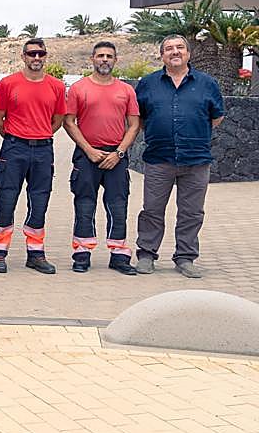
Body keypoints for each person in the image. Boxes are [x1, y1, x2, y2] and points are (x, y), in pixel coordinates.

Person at [134, 34, 225, 278]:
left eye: (180, 47)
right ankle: (146, 255)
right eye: (169, 49)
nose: (175, 52)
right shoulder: (148, 84)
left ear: (188, 53)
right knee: (152, 209)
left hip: (196, 160)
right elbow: (140, 118)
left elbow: (216, 117)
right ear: (162, 55)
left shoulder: (207, 83)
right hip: (158, 158)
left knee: (192, 213)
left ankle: (185, 258)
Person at [0, 38, 67, 274]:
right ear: (23, 56)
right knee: (6, 200)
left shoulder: (57, 86)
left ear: (46, 56)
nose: (36, 58)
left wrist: (39, 134)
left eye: (40, 54)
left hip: (43, 150)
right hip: (14, 149)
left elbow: (58, 120)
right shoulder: (10, 84)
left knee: (39, 202)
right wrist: (15, 136)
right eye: (31, 53)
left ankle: (35, 254)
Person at [63, 41, 141, 275]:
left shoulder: (126, 90)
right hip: (88, 156)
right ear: (92, 59)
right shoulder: (78, 88)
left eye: (109, 56)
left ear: (115, 60)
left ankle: (119, 255)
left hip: (116, 156)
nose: (104, 59)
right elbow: (68, 121)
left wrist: (119, 153)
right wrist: (89, 150)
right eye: (100, 55)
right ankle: (82, 253)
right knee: (85, 204)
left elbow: (134, 125)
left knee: (118, 205)